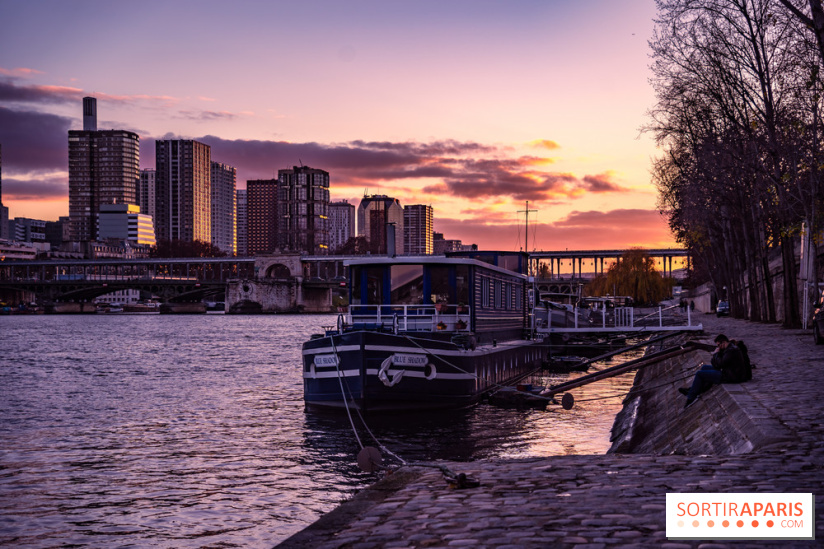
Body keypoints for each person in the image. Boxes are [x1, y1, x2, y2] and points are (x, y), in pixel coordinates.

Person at [679, 334, 747, 408]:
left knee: (699, 374)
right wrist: (717, 355)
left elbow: (720, 364)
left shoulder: (731, 351)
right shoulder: (728, 349)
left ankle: (691, 397)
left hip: (730, 376)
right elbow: (716, 364)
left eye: (718, 345)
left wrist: (716, 354)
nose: (718, 347)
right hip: (728, 371)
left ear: (723, 342)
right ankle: (695, 390)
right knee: (704, 367)